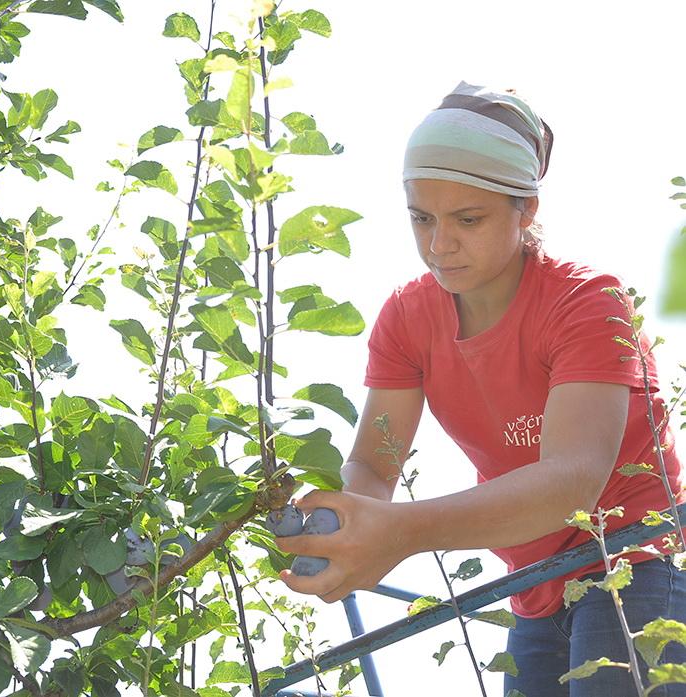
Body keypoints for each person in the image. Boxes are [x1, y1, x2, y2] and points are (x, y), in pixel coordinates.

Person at [277, 81, 686, 696]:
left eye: (468, 220)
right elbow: (372, 464)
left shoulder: (587, 303)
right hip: (531, 588)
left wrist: (400, 532)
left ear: (527, 209)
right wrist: (344, 527)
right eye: (421, 218)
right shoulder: (408, 320)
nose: (439, 245)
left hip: (636, 562)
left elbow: (572, 481)